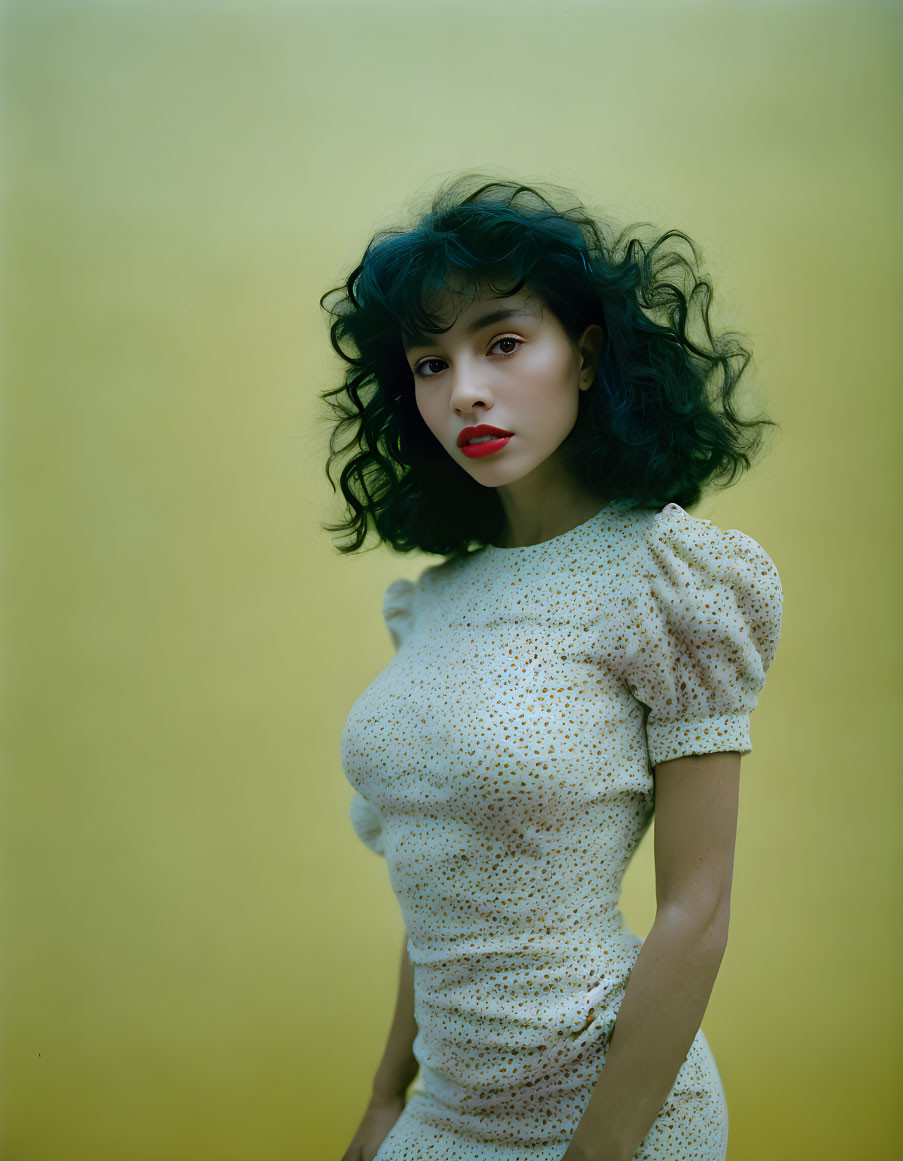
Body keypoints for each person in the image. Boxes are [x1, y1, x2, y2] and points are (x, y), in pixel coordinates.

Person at [319, 174, 783, 1161]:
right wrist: (381, 1098)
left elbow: (697, 911)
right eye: (429, 363)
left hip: (613, 1116)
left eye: (502, 342)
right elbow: (445, 884)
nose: (466, 391)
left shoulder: (673, 580)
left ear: (588, 353)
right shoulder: (433, 603)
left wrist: (601, 1153)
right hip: (442, 1109)